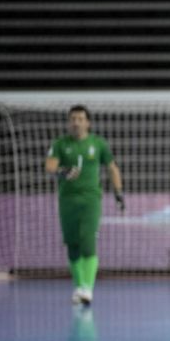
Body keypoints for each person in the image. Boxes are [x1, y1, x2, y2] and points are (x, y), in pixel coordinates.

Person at [45, 105, 124, 306]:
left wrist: (118, 194)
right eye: (73, 118)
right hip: (67, 201)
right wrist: (62, 172)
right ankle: (79, 287)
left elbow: (112, 168)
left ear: (87, 122)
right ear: (68, 122)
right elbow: (50, 166)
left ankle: (88, 288)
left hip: (90, 201)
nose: (76, 122)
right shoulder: (60, 144)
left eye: (80, 118)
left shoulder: (98, 144)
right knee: (72, 245)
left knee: (88, 243)